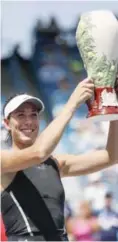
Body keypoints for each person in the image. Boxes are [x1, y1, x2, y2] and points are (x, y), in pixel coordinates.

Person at [1, 78, 118, 241]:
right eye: (20, 115)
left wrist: (114, 108)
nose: (28, 121)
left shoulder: (55, 163)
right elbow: (39, 152)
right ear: (7, 123)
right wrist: (71, 105)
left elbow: (111, 156)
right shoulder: (3, 161)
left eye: (33, 115)